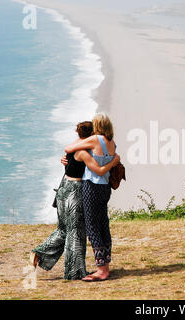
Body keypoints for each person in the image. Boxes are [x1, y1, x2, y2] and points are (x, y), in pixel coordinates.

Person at [30, 121, 120, 280]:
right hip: (75, 191)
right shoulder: (85, 151)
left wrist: (65, 160)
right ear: (92, 135)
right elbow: (98, 169)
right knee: (76, 233)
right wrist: (114, 160)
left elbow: (69, 159)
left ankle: (38, 253)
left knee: (64, 229)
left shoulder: (75, 147)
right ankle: (74, 271)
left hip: (64, 188)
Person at [64, 113, 116, 282]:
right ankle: (105, 265)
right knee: (103, 224)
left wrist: (70, 155)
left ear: (97, 126)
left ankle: (101, 270)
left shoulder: (95, 140)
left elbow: (69, 148)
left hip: (91, 186)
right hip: (105, 188)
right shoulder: (111, 143)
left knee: (92, 227)